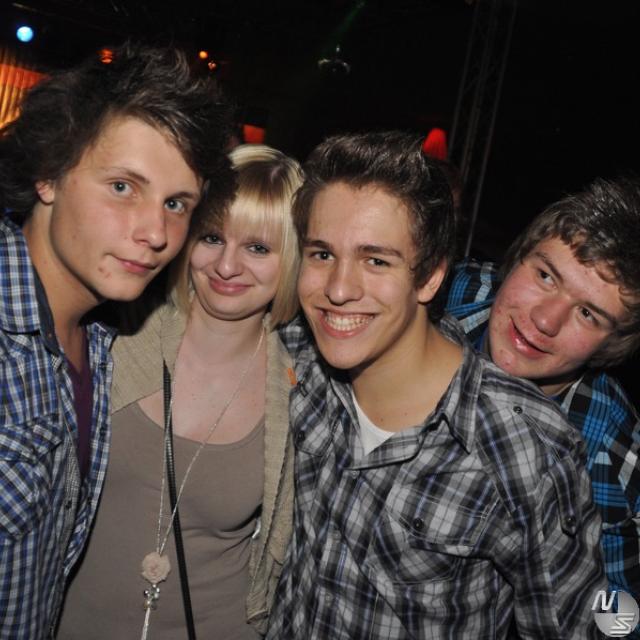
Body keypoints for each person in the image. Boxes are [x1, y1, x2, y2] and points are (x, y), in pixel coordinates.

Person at [266, 131, 605, 639]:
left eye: (376, 260)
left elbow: (577, 627)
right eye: (321, 254)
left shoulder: (527, 449)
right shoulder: (291, 359)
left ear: (429, 278)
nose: (338, 289)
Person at [0, 42, 234, 639]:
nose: (156, 232)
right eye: (124, 187)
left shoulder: (106, 341)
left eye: (176, 203)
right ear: (49, 172)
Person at [57, 144, 303, 638]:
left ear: (292, 260)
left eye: (258, 248)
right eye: (212, 237)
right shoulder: (117, 335)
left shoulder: (301, 390)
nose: (227, 266)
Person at [445, 177, 640, 606]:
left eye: (588, 314)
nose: (545, 320)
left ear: (611, 345)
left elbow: (622, 612)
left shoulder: (608, 453)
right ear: (517, 259)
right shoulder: (445, 294)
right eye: (546, 276)